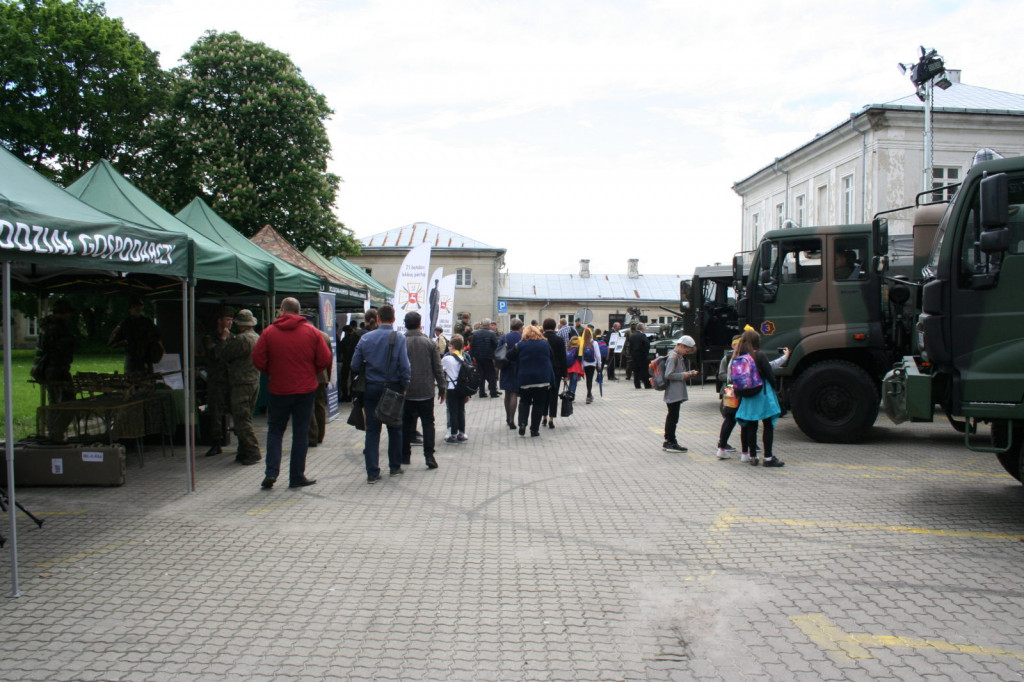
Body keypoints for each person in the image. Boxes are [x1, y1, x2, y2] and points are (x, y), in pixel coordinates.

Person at [252, 297, 332, 490]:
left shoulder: (269, 332)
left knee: (275, 431)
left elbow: (257, 358)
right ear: (298, 311)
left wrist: (271, 371)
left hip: (279, 388)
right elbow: (325, 358)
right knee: (300, 433)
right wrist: (311, 372)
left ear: (282, 310)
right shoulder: (312, 332)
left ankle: (271, 473)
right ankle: (296, 476)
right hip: (305, 389)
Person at [351, 304, 411, 483]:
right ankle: (394, 467)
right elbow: (404, 365)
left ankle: (372, 472)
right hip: (393, 386)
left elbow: (354, 365)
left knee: (372, 430)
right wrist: (405, 384)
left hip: (371, 387)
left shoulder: (366, 339)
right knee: (394, 427)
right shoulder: (398, 338)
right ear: (394, 319)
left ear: (377, 319)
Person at [733, 329, 789, 468]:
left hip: (747, 396)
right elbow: (770, 374)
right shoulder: (760, 355)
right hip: (762, 394)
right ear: (756, 341)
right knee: (768, 425)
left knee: (752, 425)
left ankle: (753, 456)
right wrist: (776, 388)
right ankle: (768, 458)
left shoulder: (740, 356)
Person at [402, 311, 445, 470]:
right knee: (428, 423)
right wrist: (442, 387)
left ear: (405, 324)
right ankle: (429, 455)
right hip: (426, 390)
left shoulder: (401, 342)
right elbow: (438, 367)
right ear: (420, 324)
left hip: (406, 391)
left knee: (405, 424)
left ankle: (405, 455)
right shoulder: (429, 343)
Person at [221, 309, 262, 465]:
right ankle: (243, 451)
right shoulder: (256, 337)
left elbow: (224, 355)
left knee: (241, 420)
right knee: (246, 417)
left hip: (240, 383)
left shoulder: (241, 340)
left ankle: (252, 451)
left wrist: (225, 339)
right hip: (253, 381)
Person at [31, 298, 78, 406]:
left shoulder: (48, 325)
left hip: (53, 367)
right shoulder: (56, 328)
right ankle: (56, 421)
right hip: (54, 368)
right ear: (63, 313)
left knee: (60, 398)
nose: (69, 316)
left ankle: (56, 420)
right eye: (68, 313)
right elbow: (62, 348)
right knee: (61, 400)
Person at [510, 325, 554, 437]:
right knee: (538, 404)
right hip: (542, 379)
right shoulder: (545, 344)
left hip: (525, 379)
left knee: (524, 402)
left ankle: (523, 424)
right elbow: (552, 357)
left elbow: (508, 356)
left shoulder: (520, 345)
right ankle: (534, 430)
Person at [201, 308, 234, 457]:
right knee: (215, 412)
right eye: (227, 319)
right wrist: (222, 340)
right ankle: (216, 442)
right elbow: (214, 355)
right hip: (216, 380)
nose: (230, 323)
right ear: (219, 321)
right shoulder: (211, 338)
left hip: (231, 379)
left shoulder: (233, 338)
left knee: (236, 410)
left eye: (231, 320)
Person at [662, 335, 699, 453]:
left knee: (673, 417)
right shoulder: (674, 357)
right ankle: (670, 441)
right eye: (686, 350)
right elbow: (668, 374)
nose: (686, 353)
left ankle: (670, 440)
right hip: (673, 392)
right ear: (682, 346)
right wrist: (684, 375)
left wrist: (688, 373)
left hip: (675, 392)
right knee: (673, 417)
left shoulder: (677, 356)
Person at [108, 295, 162, 374]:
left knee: (147, 381)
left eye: (139, 306)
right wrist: (125, 342)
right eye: (134, 306)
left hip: (146, 358)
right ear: (130, 309)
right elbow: (112, 343)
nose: (137, 308)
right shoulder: (125, 323)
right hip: (132, 359)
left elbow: (157, 336)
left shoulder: (147, 322)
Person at [714, 335, 743, 460]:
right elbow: (721, 375)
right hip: (730, 389)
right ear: (732, 345)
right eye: (737, 344)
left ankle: (749, 443)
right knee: (730, 417)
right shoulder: (728, 357)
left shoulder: (746, 357)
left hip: (741, 389)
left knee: (745, 416)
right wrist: (733, 377)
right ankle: (723, 443)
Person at [307, 323, 333, 448]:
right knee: (320, 406)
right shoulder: (325, 336)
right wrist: (327, 377)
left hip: (310, 376)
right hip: (322, 377)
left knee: (309, 407)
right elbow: (329, 359)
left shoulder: (306, 336)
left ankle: (312, 435)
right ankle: (320, 435)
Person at [442, 334, 470, 443]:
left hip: (451, 387)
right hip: (462, 387)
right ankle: (461, 432)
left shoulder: (447, 358)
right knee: (461, 410)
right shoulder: (463, 358)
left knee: (453, 411)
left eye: (449, 346)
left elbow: (441, 369)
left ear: (452, 347)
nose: (448, 348)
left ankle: (453, 434)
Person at [541, 318, 567, 429]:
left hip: (543, 370)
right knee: (553, 394)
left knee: (543, 394)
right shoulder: (559, 340)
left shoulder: (541, 338)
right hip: (556, 370)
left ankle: (544, 417)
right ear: (555, 326)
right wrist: (565, 374)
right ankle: (551, 418)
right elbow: (563, 358)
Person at [498, 319, 524, 429]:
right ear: (520, 327)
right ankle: (512, 420)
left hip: (505, 366)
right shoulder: (522, 337)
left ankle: (508, 418)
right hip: (518, 367)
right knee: (514, 393)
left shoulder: (505, 337)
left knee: (507, 393)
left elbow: (498, 350)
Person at [471, 318, 500, 398]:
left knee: (481, 375)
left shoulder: (475, 334)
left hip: (478, 357)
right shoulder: (492, 334)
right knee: (492, 374)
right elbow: (496, 345)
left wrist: (473, 356)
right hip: (489, 357)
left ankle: (481, 392)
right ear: (488, 325)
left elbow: (472, 346)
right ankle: (493, 392)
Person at [578, 326, 602, 404]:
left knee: (587, 379)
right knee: (590, 379)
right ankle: (589, 395)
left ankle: (589, 394)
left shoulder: (582, 343)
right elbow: (598, 355)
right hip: (592, 363)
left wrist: (581, 365)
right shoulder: (594, 343)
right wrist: (599, 364)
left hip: (585, 364)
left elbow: (581, 355)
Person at [338, 322, 358, 403]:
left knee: (345, 380)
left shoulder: (345, 340)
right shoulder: (354, 338)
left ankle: (345, 395)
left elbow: (340, 350)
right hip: (351, 361)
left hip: (346, 361)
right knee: (352, 380)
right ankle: (350, 395)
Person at [628, 323, 652, 389]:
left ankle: (637, 385)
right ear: (642, 328)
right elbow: (647, 345)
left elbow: (630, 346)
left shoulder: (632, 336)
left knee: (636, 371)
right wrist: (645, 353)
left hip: (634, 356)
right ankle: (647, 385)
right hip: (642, 355)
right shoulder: (642, 336)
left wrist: (631, 353)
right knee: (644, 371)